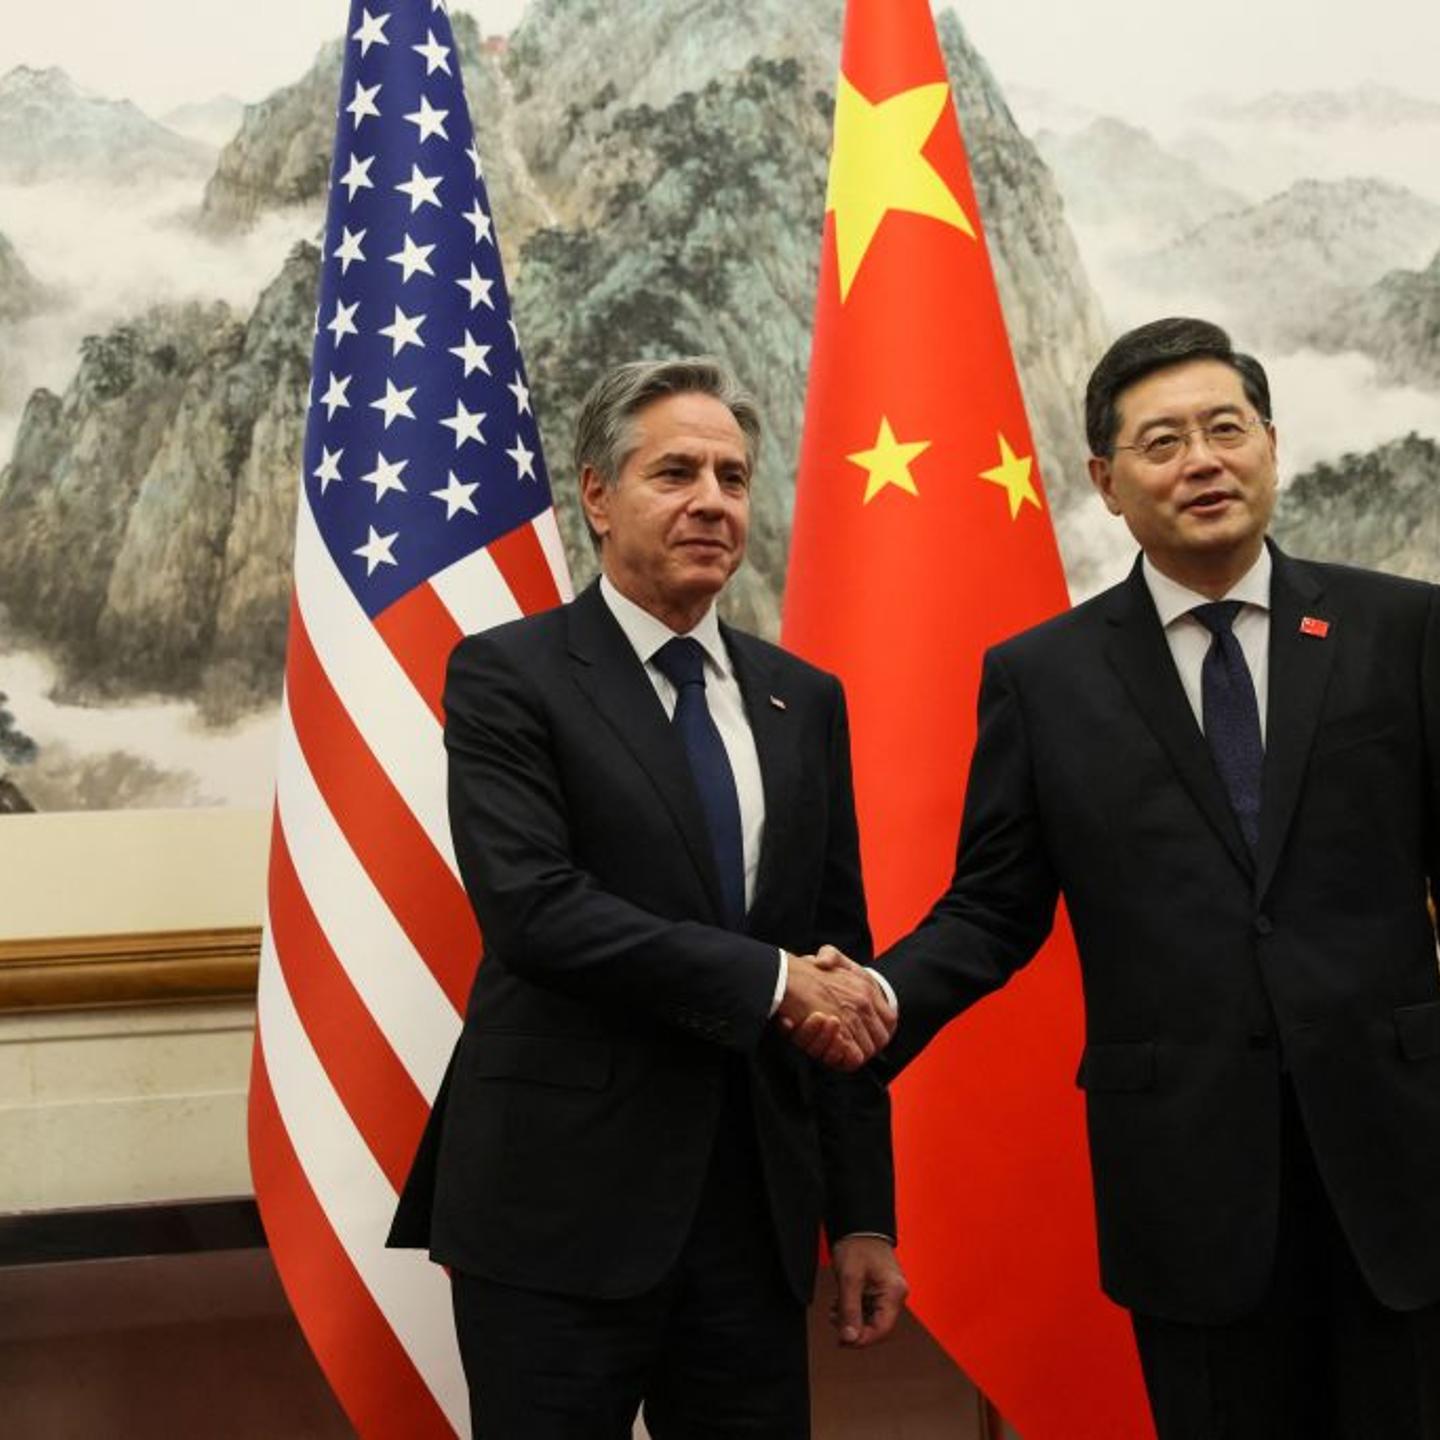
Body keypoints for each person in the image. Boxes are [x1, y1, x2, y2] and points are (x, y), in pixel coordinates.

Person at [864, 317, 1440, 1437]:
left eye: (1227, 429)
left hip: (1401, 1156)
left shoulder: (1401, 628)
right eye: (1164, 442)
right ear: (1106, 483)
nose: (1204, 462)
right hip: (1188, 1178)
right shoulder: (1044, 678)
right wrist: (877, 1001)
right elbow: (993, 909)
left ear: (1271, 444)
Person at [390, 357, 907, 1439]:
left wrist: (864, 1214)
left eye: (733, 477)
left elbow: (838, 964)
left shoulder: (802, 699)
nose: (712, 501)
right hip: (557, 1209)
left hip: (754, 1218)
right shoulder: (509, 674)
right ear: (598, 495)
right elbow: (534, 910)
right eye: (676, 473)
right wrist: (770, 983)